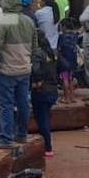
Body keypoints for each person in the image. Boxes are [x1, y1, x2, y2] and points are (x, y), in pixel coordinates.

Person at [0, 0, 37, 145]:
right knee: (23, 102)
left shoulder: (3, 22)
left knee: (6, 105)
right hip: (25, 69)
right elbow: (35, 47)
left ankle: (6, 138)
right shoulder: (29, 21)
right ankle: (22, 134)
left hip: (6, 71)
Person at [29, 26, 59, 157]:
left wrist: (37, 81)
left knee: (42, 119)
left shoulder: (37, 53)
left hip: (41, 90)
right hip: (53, 90)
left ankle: (47, 147)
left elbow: (35, 70)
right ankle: (47, 145)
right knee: (45, 116)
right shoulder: (53, 52)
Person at [57, 19, 80, 102]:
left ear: (64, 26)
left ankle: (66, 98)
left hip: (64, 61)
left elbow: (59, 49)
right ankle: (72, 97)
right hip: (73, 61)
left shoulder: (62, 36)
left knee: (65, 79)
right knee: (71, 79)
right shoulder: (75, 36)